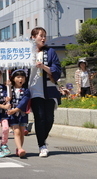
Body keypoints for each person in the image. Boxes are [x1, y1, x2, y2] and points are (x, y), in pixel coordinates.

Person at [28, 27, 61, 158]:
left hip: (49, 90)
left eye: (44, 36)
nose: (43, 38)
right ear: (33, 37)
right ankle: (42, 145)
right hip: (34, 90)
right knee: (39, 118)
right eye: (40, 35)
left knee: (49, 119)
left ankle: (42, 138)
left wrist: (43, 67)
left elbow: (57, 70)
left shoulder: (50, 52)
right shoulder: (26, 52)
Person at [7, 69, 31, 158]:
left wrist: (15, 110)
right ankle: (20, 148)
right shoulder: (10, 89)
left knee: (21, 131)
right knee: (16, 131)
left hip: (22, 113)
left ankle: (19, 148)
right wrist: (8, 87)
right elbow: (7, 98)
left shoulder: (26, 90)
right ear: (13, 78)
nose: (20, 79)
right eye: (18, 77)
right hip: (13, 114)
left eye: (22, 77)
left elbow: (24, 102)